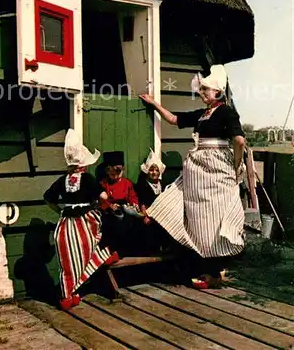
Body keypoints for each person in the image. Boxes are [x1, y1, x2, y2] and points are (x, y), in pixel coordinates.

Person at [139, 64, 246, 289]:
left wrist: (236, 166)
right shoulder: (202, 114)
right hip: (197, 172)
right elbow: (174, 119)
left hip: (217, 171)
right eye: (202, 89)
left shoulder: (226, 111)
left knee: (215, 219)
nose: (202, 93)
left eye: (207, 89)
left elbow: (239, 140)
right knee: (198, 219)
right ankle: (209, 269)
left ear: (218, 92)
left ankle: (215, 272)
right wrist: (153, 103)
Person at [43, 129, 114, 310]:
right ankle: (104, 258)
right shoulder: (88, 178)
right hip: (85, 220)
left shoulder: (62, 180)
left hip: (66, 223)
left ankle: (67, 294)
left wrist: (60, 210)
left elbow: (48, 198)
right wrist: (97, 206)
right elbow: (104, 196)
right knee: (91, 245)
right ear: (84, 163)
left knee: (69, 256)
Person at [99, 151, 144, 257]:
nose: (115, 177)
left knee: (133, 224)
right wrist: (110, 206)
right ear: (107, 172)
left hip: (125, 209)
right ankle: (113, 251)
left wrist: (134, 204)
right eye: (112, 175)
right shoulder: (104, 183)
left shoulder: (126, 183)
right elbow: (101, 200)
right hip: (110, 211)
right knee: (113, 225)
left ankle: (127, 251)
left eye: (118, 174)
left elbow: (133, 196)